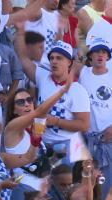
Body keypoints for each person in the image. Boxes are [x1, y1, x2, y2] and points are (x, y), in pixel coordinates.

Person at [16, 22, 91, 161]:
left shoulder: (77, 90)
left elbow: (84, 125)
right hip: (43, 146)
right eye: (51, 58)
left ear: (69, 62)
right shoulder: (43, 77)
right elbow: (23, 58)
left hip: (68, 148)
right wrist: (20, 32)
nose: (54, 62)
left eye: (59, 58)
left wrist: (56, 121)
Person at [78, 38, 112, 200]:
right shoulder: (83, 73)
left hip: (108, 140)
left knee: (105, 184)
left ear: (108, 56)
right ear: (90, 55)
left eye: (104, 52)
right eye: (97, 51)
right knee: (85, 182)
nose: (100, 55)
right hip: (86, 139)